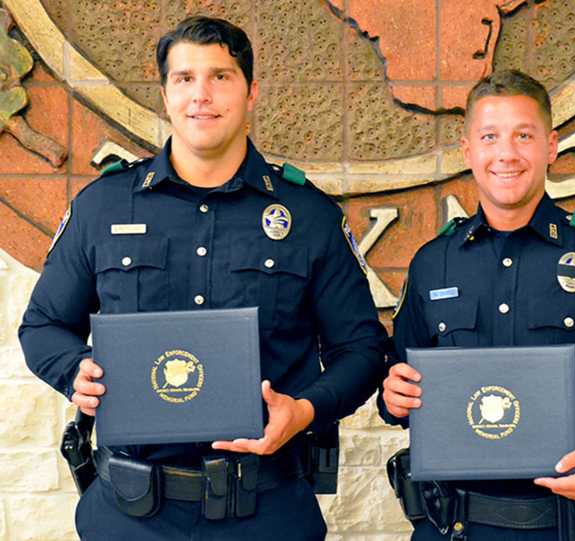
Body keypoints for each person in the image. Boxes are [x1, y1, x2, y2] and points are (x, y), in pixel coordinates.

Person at [19, 15, 386, 541]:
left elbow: (363, 350)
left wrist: (305, 411)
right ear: (165, 95)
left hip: (268, 510)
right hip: (130, 515)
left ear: (251, 92)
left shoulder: (307, 216)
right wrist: (74, 370)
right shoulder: (103, 206)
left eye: (220, 76)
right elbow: (43, 326)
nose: (202, 95)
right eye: (185, 78)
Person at [380, 70, 575, 541]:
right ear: (468, 151)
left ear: (550, 146)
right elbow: (400, 380)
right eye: (490, 137)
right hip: (452, 528)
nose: (506, 153)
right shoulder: (433, 264)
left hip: (567, 526)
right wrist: (393, 396)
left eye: (523, 136)